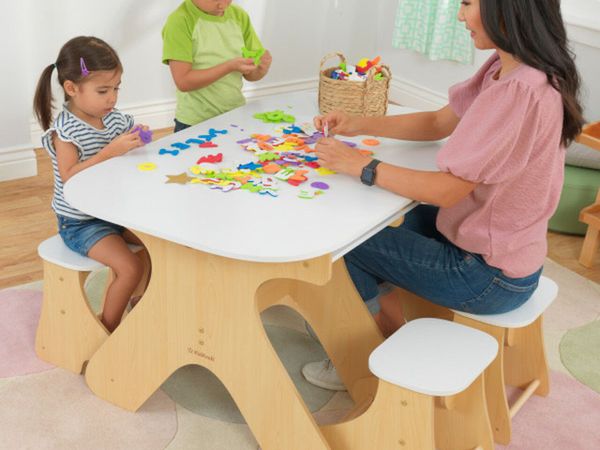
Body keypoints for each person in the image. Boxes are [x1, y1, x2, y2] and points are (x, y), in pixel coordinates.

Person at [302, 0, 584, 391]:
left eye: (468, 3)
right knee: (378, 220)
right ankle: (386, 317)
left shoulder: (519, 92)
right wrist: (357, 123)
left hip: (487, 275)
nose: (459, 15)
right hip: (503, 248)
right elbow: (438, 121)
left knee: (346, 243)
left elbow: (448, 190)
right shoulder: (514, 68)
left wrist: (360, 166)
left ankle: (358, 350)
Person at [33, 36, 148, 333]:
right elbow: (70, 175)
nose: (112, 98)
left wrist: (139, 135)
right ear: (71, 89)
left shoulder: (111, 118)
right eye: (103, 90)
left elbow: (130, 133)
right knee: (130, 267)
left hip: (113, 212)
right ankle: (107, 328)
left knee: (157, 246)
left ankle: (142, 308)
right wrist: (110, 152)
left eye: (116, 88)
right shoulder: (66, 132)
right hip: (81, 222)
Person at [162, 0, 272, 132]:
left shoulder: (239, 16)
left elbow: (251, 75)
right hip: (195, 123)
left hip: (235, 116)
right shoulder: (180, 20)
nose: (223, 5)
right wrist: (229, 66)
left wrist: (261, 68)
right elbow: (183, 82)